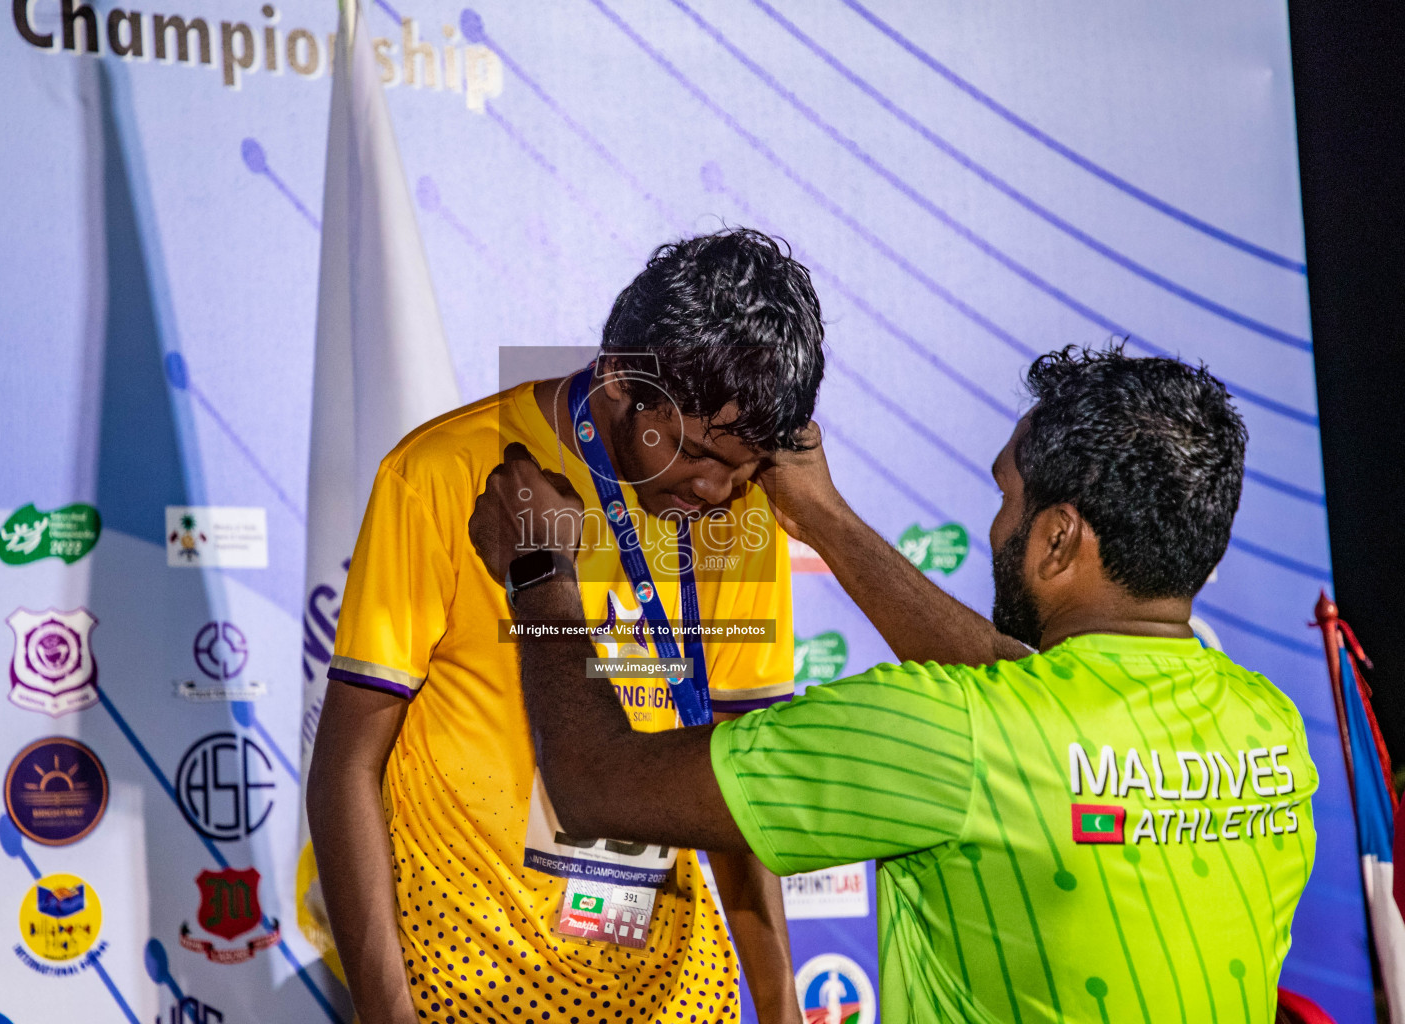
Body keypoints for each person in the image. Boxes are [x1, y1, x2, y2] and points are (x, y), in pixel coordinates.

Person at [469, 345, 1319, 1023]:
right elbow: (1033, 689)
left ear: (1057, 542)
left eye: (1007, 496)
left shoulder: (949, 734)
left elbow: (594, 784)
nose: (994, 524)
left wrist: (541, 569)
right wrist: (825, 520)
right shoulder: (1269, 726)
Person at [306, 228, 824, 1023]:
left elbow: (737, 788)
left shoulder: (741, 518)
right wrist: (386, 1011)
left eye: (744, 465)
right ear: (620, 378)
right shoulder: (441, 474)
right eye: (691, 452)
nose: (718, 488)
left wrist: (781, 1003)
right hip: (472, 984)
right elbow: (347, 764)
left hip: (673, 992)